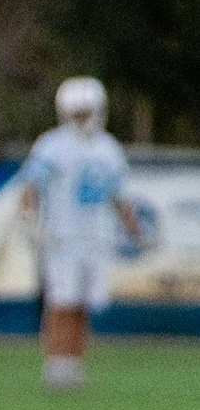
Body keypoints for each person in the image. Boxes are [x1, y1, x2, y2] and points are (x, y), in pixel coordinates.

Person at [18, 77, 139, 390]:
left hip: (96, 236)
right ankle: (55, 361)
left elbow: (119, 196)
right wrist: (31, 219)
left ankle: (73, 360)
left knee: (84, 301)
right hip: (63, 235)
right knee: (62, 300)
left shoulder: (108, 148)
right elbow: (31, 187)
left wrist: (134, 229)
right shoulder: (52, 145)